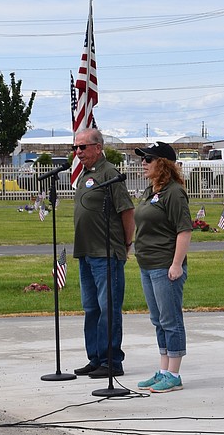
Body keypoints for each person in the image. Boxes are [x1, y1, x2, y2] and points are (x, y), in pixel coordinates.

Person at [71, 128, 135, 379]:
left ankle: (112, 360)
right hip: (86, 251)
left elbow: (127, 211)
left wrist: (126, 243)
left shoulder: (110, 174)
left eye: (82, 147)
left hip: (106, 252)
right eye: (75, 148)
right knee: (91, 308)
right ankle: (95, 358)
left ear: (98, 148)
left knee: (108, 307)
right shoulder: (85, 174)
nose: (78, 152)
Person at [133, 142, 193, 393]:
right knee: (158, 319)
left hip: (164, 265)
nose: (143, 163)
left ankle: (174, 374)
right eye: (143, 159)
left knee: (170, 319)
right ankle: (163, 369)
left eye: (149, 159)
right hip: (147, 264)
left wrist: (176, 264)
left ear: (163, 163)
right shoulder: (151, 191)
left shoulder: (174, 193)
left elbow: (184, 230)